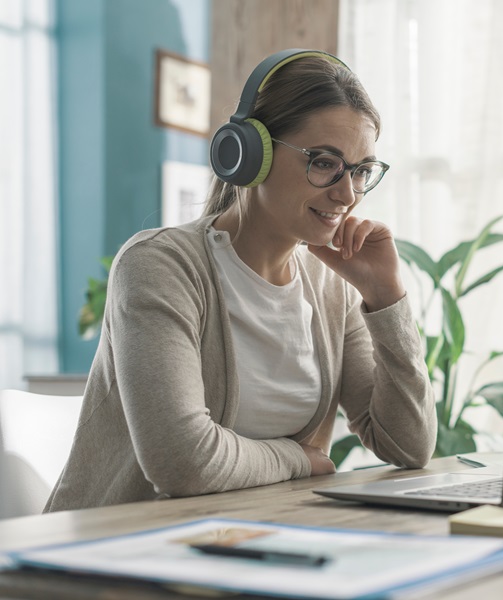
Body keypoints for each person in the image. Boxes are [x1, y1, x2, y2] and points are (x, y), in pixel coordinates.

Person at [45, 50, 437, 512]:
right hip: (110, 553)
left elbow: (409, 447)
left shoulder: (332, 289)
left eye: (361, 170)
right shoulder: (159, 267)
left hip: (248, 540)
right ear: (248, 154)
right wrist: (295, 458)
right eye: (324, 162)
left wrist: (385, 297)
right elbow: (181, 462)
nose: (347, 193)